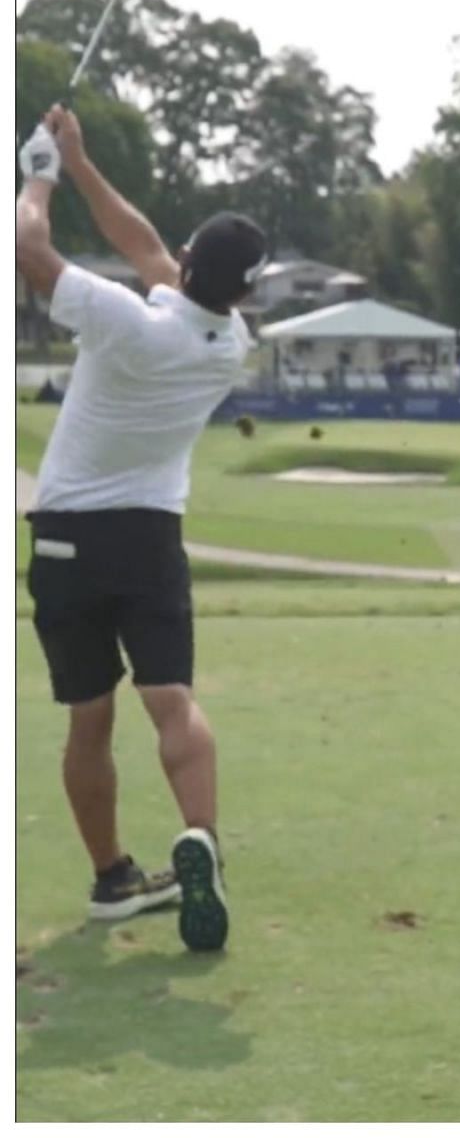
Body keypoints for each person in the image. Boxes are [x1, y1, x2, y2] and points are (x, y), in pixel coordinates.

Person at [15, 106, 261, 952]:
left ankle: (113, 878)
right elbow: (147, 245)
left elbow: (31, 253)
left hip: (65, 539)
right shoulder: (228, 339)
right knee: (172, 702)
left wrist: (40, 174)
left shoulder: (126, 318)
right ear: (247, 289)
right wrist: (81, 162)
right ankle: (202, 838)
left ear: (189, 264)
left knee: (90, 721)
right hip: (150, 538)